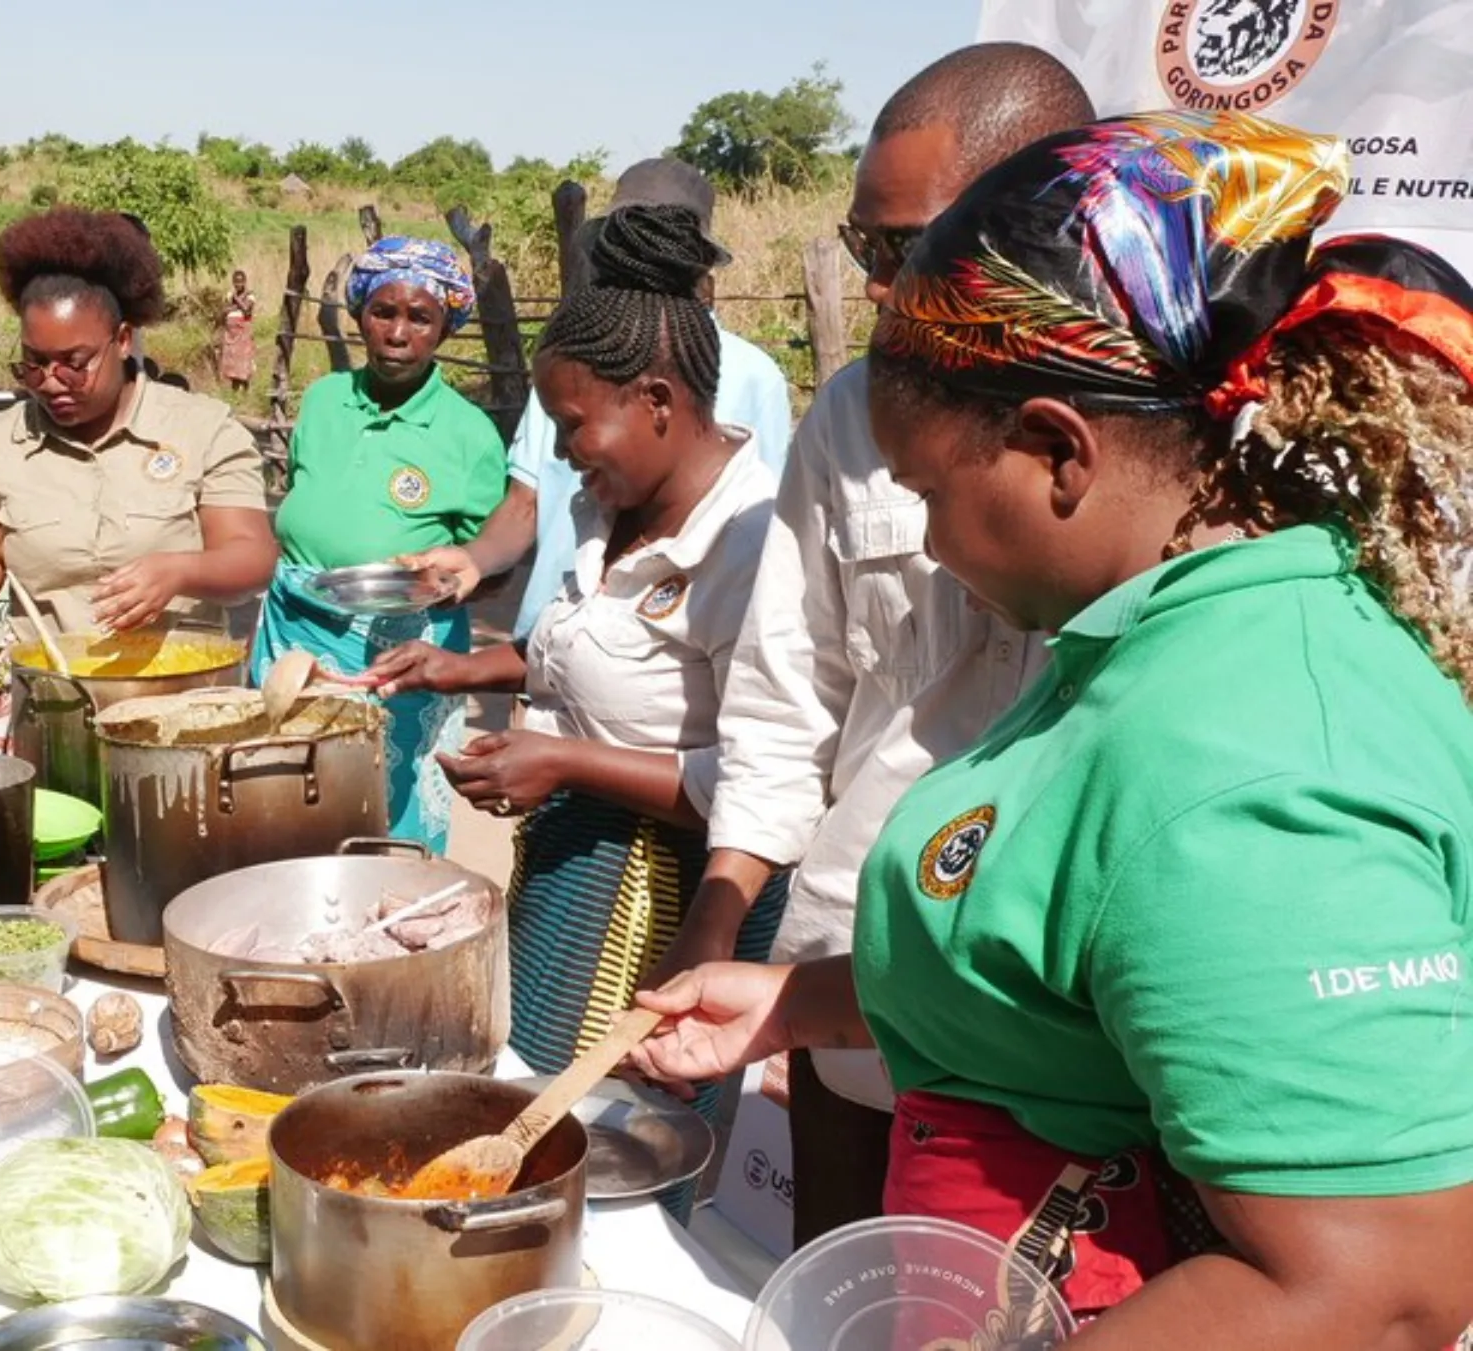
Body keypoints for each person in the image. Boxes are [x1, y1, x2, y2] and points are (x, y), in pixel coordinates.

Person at [634, 110, 1473, 1343]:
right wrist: (796, 1002)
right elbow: (1086, 950)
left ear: (1055, 452)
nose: (923, 540)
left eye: (929, 491)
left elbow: (1372, 1288)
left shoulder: (1246, 758)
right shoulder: (1152, 640)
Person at [646, 44, 1097, 1248]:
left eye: (914, 249)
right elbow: (792, 694)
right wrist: (723, 904)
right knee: (833, 1287)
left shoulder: (1148, 437)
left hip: (1053, 1022)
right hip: (848, 965)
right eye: (868, 251)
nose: (891, 288)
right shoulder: (851, 416)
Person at [359, 204, 782, 1222]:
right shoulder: (608, 507)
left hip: (680, 901)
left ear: (660, 401)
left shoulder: (755, 545)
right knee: (540, 1122)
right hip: (576, 873)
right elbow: (589, 665)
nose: (559, 453)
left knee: (631, 1155)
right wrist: (463, 672)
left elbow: (774, 780)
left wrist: (566, 765)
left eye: (574, 427)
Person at [404, 160, 794, 639]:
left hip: (666, 661)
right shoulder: (577, 362)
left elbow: (765, 531)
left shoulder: (754, 376)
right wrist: (473, 560)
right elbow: (527, 499)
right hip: (550, 638)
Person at [0, 207, 275, 681]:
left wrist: (181, 572)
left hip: (181, 708)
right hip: (54, 708)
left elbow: (252, 554)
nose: (52, 382)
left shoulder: (202, 429)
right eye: (33, 364)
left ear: (121, 340)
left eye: (74, 363)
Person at [254, 236, 506, 853]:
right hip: (292, 633)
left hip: (401, 654)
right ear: (360, 313)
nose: (398, 333)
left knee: (389, 811)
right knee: (284, 800)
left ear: (445, 327)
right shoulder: (323, 401)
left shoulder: (468, 434)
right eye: (383, 312)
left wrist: (446, 582)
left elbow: (492, 564)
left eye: (420, 317)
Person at [219, 268, 258, 391]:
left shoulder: (250, 295)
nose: (238, 284)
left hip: (243, 332)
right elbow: (224, 311)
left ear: (245, 282)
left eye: (240, 282)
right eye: (236, 282)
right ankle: (234, 390)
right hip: (231, 333)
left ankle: (246, 389)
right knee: (233, 361)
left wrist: (235, 299)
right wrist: (237, 305)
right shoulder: (230, 296)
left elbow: (247, 310)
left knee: (244, 360)